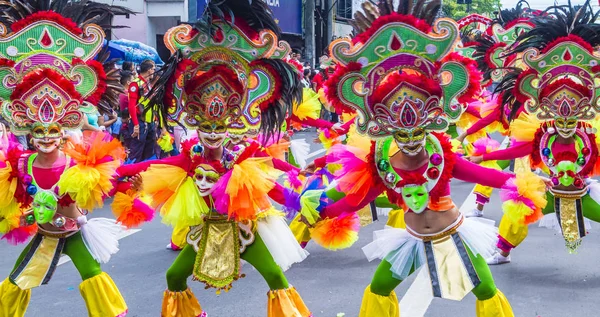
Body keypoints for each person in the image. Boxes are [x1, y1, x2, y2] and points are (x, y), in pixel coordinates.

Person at [297, 1, 547, 315]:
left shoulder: (442, 156)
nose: (412, 139)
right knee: (379, 288)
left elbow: (487, 176)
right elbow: (358, 199)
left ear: (431, 122)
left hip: (453, 235)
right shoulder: (383, 164)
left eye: (418, 130)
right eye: (402, 132)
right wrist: (323, 212)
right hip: (411, 241)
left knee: (484, 289)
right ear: (386, 129)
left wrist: (522, 185)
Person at [118, 1, 312, 316]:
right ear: (193, 121)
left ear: (234, 123)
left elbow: (268, 184)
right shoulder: (191, 156)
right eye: (205, 125)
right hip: (205, 231)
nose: (211, 132)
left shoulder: (240, 156)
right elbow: (157, 166)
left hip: (243, 230)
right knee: (174, 276)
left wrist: (297, 197)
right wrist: (120, 171)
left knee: (275, 276)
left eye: (219, 126)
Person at [0, 2, 139, 315]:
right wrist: (23, 215)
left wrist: (131, 184)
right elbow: (13, 200)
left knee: (92, 275)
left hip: (73, 230)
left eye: (53, 130)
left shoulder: (77, 162)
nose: (47, 137)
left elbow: (111, 177)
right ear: (28, 133)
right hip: (45, 232)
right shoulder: (20, 164)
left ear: (64, 129)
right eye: (39, 131)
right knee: (17, 280)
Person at [466, 2, 600, 264]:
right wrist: (481, 158)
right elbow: (519, 149)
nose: (565, 120)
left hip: (582, 192)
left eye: (571, 113)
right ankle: (503, 252)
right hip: (550, 192)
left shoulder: (589, 137)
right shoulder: (544, 134)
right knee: (516, 216)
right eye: (559, 112)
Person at [125, 59, 157, 162]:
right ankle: (130, 175)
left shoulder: (148, 84)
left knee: (149, 153)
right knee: (136, 153)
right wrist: (136, 125)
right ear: (149, 70)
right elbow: (131, 106)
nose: (154, 71)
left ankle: (144, 175)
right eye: (153, 69)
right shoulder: (135, 84)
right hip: (140, 122)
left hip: (150, 123)